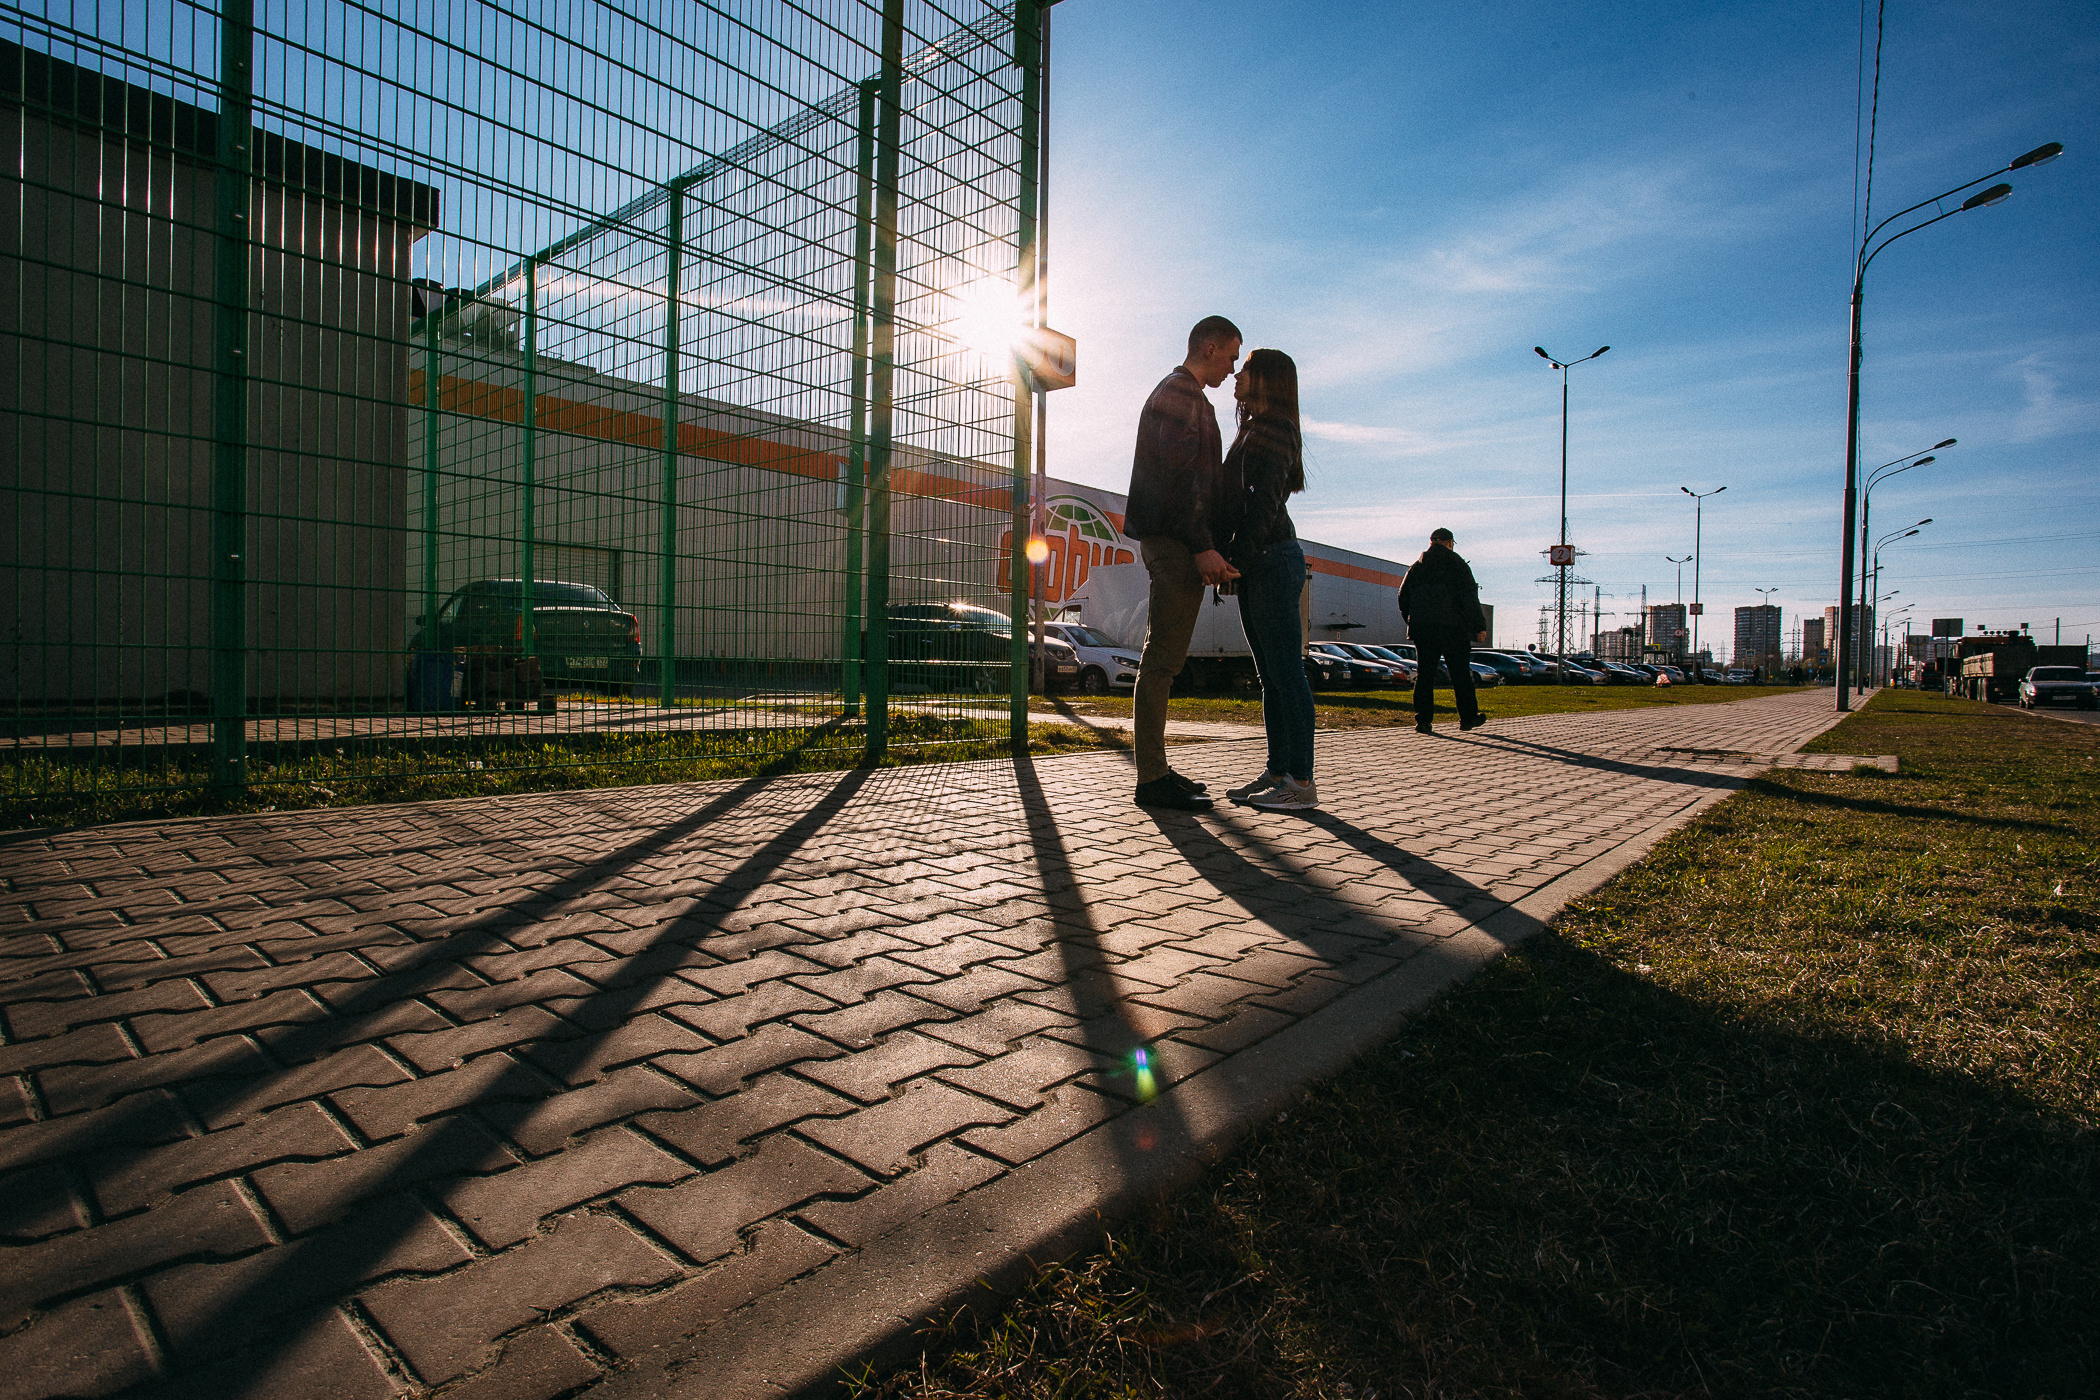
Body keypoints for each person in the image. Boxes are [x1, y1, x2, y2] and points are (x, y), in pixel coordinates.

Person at [1125, 315, 1241, 811]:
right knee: (1162, 661)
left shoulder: (1185, 395)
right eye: (1231, 356)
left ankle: (1157, 769)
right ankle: (1151, 779)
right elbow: (1183, 477)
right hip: (1175, 541)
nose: (1232, 368)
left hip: (1175, 538)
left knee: (1165, 659)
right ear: (1209, 348)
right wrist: (1201, 545)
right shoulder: (1180, 393)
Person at [1214, 349, 1317, 812]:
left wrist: (1237, 559)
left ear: (1266, 379)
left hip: (1273, 558)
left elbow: (1265, 503)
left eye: (1246, 367)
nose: (1237, 374)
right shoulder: (1255, 428)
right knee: (1270, 677)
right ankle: (1278, 773)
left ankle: (1301, 782)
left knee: (1286, 674)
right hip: (1261, 561)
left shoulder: (1277, 428)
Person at [1397, 528, 1488, 734]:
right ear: (1450, 543)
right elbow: (1470, 599)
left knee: (1425, 675)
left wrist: (1413, 621)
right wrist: (1479, 626)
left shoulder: (1416, 568)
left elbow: (1403, 597)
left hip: (1424, 630)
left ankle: (1423, 721)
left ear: (1431, 543)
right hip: (1454, 629)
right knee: (1460, 673)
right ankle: (1468, 718)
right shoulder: (1458, 565)